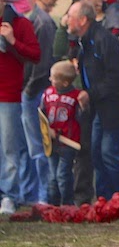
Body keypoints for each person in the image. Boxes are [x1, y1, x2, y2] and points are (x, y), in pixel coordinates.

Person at [64, 1, 119, 203]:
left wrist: (90, 94)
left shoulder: (103, 40)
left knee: (109, 153)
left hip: (114, 106)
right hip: (98, 107)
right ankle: (105, 200)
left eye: (71, 15)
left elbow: (117, 76)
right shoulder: (84, 41)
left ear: (83, 20)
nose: (66, 19)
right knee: (96, 153)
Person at [0, 1, 41, 215]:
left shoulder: (19, 24)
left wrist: (12, 40)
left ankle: (10, 195)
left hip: (8, 95)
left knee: (9, 148)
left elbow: (35, 54)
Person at [19, 0, 57, 204]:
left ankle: (43, 195)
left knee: (37, 146)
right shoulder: (27, 21)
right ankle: (27, 193)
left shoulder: (42, 23)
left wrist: (27, 91)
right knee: (24, 146)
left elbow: (40, 65)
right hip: (22, 91)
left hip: (32, 93)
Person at [41, 61, 83, 206]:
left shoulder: (76, 97)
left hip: (67, 143)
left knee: (63, 175)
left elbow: (81, 119)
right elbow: (42, 115)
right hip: (52, 143)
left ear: (65, 83)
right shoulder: (47, 93)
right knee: (53, 175)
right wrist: (47, 130)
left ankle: (67, 204)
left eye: (53, 78)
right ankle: (53, 204)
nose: (50, 80)